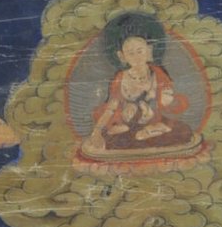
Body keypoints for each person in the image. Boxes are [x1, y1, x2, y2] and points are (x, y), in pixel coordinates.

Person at [83, 19, 197, 159]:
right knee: (111, 139)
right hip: (127, 127)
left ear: (149, 51)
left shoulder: (158, 74)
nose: (136, 57)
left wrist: (165, 100)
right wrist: (97, 131)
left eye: (140, 51)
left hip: (155, 124)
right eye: (131, 53)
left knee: (183, 132)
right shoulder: (120, 78)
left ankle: (148, 135)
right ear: (122, 56)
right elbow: (110, 108)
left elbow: (170, 105)